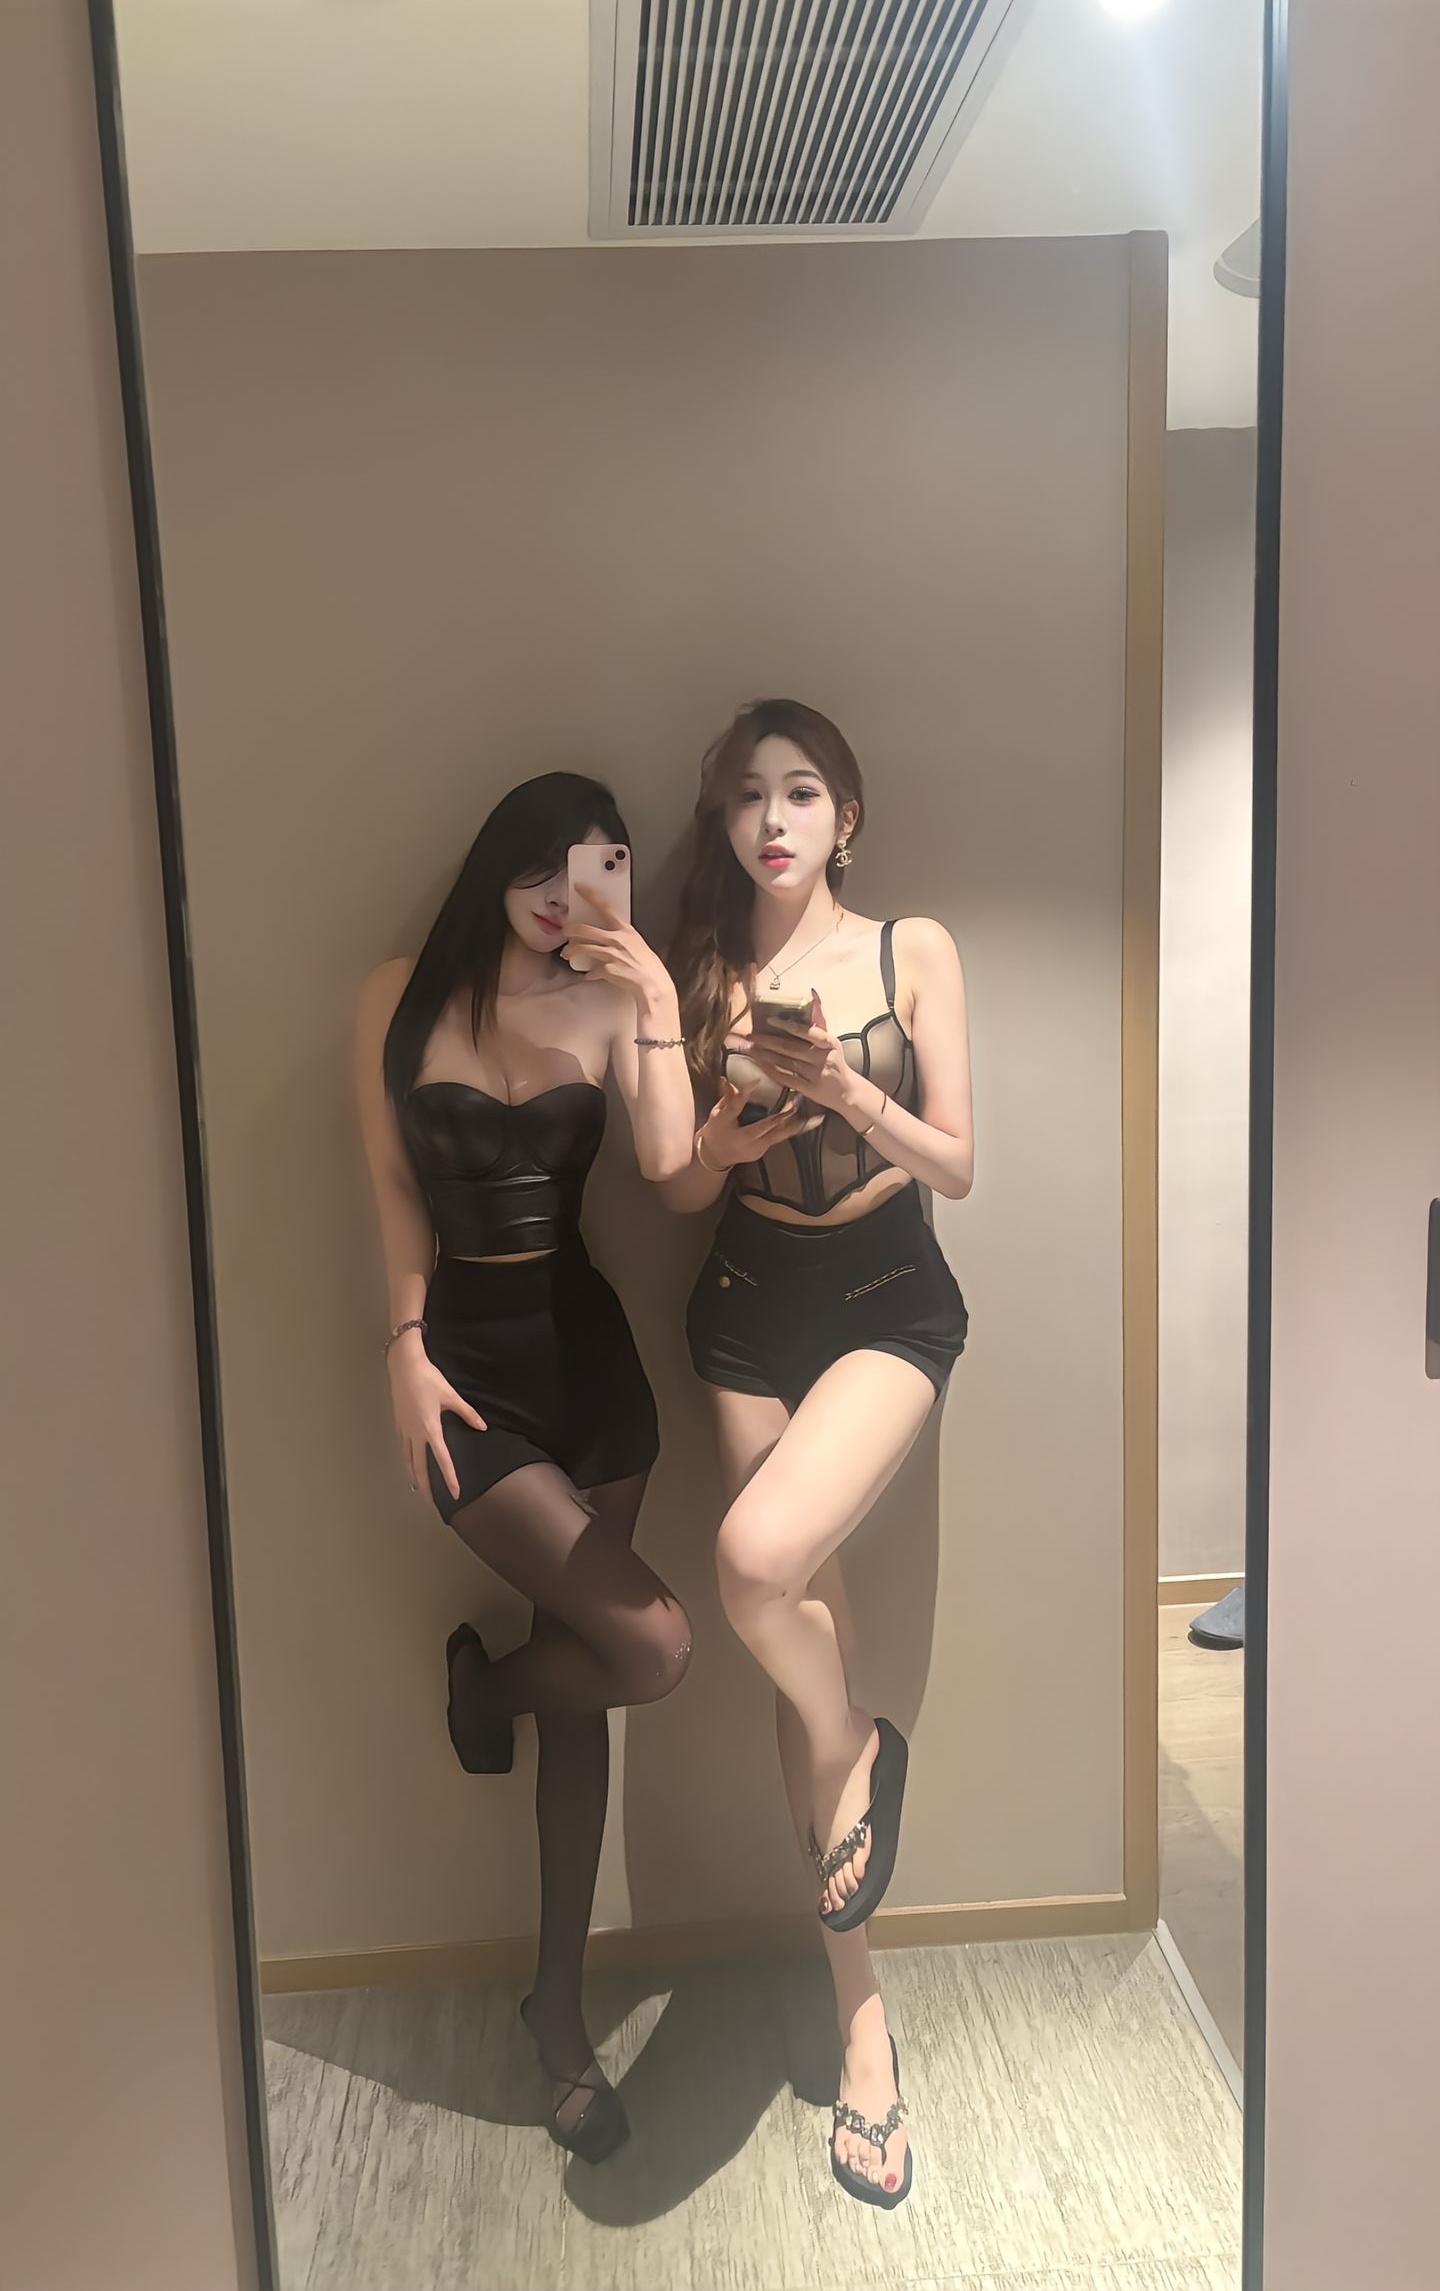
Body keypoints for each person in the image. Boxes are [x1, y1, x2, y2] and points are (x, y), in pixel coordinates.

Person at [355, 772, 695, 2164]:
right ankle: (492, 1687)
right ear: (496, 869)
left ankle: (556, 2012)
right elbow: (393, 1183)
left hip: (589, 1368)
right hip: (466, 1379)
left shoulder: (613, 1004)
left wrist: (654, 994)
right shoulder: (396, 995)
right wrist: (402, 1344)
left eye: (596, 867)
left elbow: (671, 1169)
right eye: (541, 871)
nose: (564, 898)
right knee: (649, 1647)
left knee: (597, 1687)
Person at [665, 700, 973, 2210]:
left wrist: (849, 1090)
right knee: (803, 1641)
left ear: (846, 815)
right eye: (746, 797)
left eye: (800, 793)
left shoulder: (915, 949)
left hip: (887, 1297)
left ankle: (863, 1746)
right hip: (743, 1304)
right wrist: (730, 1126)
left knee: (755, 1566)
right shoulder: (701, 971)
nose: (771, 821)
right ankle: (865, 2030)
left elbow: (959, 1164)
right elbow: (676, 1186)